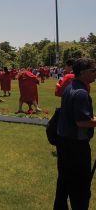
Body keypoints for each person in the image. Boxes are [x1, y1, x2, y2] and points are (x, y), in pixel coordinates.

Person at [54, 58, 96, 209]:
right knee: (80, 188)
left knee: (64, 183)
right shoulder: (81, 93)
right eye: (93, 70)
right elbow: (82, 122)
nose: (95, 74)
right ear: (83, 72)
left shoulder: (70, 87)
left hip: (64, 143)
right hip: (77, 147)